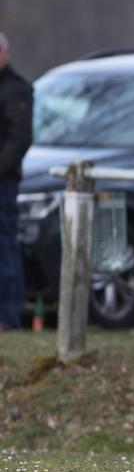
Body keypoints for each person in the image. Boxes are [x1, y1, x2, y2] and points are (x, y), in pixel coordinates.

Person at [0, 32, 33, 332]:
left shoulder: (16, 90)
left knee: (5, 248)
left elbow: (19, 139)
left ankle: (8, 317)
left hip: (3, 184)